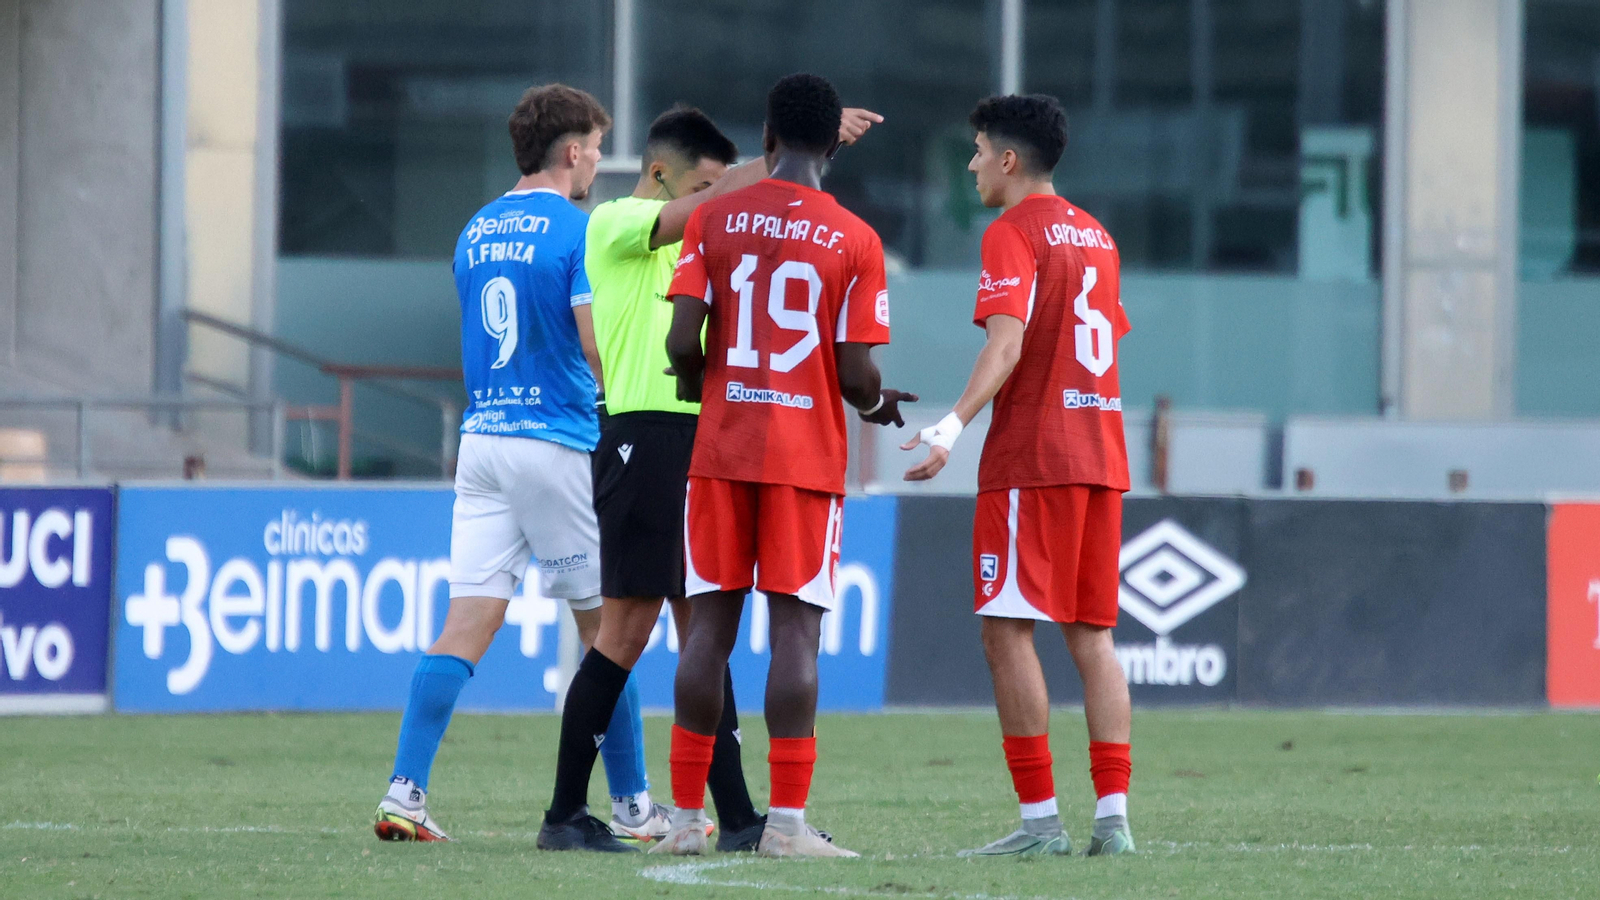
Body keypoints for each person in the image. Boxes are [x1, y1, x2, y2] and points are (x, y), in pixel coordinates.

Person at [539, 102, 881, 852]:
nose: (718, 200)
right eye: (705, 186)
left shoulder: (711, 232)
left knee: (708, 632)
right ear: (659, 175)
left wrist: (799, 164)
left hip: (702, 440)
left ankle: (736, 818)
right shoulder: (616, 221)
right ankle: (565, 814)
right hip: (648, 436)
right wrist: (796, 156)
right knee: (626, 632)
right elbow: (709, 220)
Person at [650, 72, 915, 858]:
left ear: (765, 139)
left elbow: (678, 344)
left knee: (707, 637)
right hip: (804, 460)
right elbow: (857, 373)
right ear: (833, 143)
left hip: (723, 452)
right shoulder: (857, 239)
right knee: (796, 635)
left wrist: (704, 385)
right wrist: (873, 406)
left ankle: (686, 822)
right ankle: (788, 828)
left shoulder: (714, 218)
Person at [373, 84, 636, 848]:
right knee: (609, 631)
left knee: (463, 625)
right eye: (592, 146)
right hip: (553, 439)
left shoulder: (475, 228)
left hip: (482, 441)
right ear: (573, 151)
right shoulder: (576, 229)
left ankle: (405, 791)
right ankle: (633, 805)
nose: (595, 162)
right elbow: (590, 344)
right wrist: (622, 411)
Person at [900, 93, 1136, 858]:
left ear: (1007, 159)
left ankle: (1040, 826)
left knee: (1005, 633)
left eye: (975, 151)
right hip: (1101, 456)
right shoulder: (1097, 235)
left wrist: (949, 425)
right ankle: (1114, 821)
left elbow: (1006, 347)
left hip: (1034, 460)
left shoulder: (1011, 231)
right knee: (1093, 638)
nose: (970, 165)